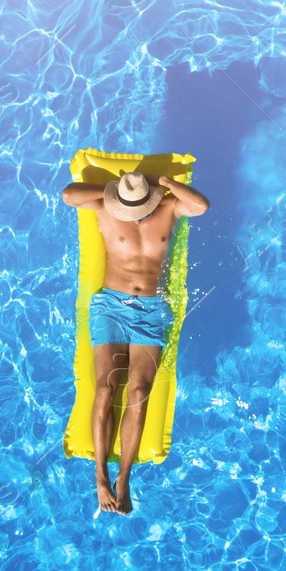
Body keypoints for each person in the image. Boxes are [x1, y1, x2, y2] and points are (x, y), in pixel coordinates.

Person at [61, 170, 209, 515]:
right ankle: (100, 476)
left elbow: (201, 205)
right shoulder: (105, 207)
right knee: (104, 389)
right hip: (110, 305)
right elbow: (69, 195)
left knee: (139, 393)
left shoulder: (169, 208)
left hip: (152, 309)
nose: (133, 212)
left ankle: (124, 478)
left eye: (138, 204)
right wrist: (115, 194)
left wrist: (166, 185)